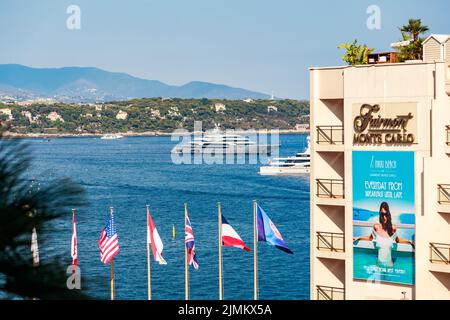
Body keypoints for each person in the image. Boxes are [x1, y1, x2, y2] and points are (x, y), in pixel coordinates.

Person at [354, 202, 414, 267]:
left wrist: (410, 242)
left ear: (389, 214)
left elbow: (398, 240)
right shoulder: (376, 227)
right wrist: (358, 237)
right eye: (382, 214)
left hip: (390, 266)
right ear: (380, 215)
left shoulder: (392, 229)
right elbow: (369, 238)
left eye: (386, 214)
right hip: (379, 266)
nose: (384, 217)